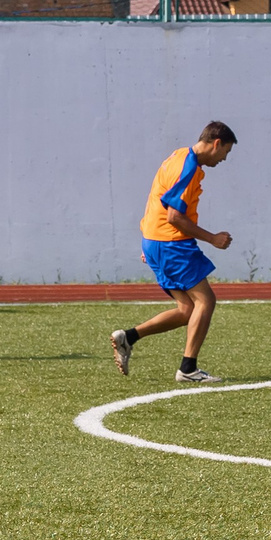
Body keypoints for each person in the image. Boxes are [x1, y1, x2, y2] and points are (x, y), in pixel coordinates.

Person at [111, 122, 238, 384]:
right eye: (225, 152)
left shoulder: (177, 155)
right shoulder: (188, 167)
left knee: (187, 309)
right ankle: (188, 369)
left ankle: (128, 337)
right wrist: (212, 238)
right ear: (216, 143)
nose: (224, 159)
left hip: (155, 240)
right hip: (171, 243)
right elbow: (175, 217)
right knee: (206, 301)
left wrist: (148, 241)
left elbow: (154, 199)